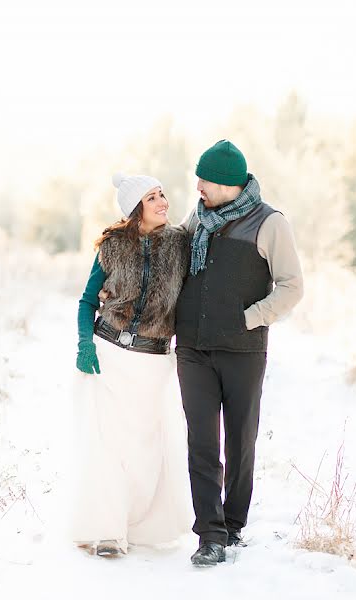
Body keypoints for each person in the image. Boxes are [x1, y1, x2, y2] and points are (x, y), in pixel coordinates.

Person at [176, 140, 304, 566]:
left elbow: (291, 287)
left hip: (243, 350)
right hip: (192, 346)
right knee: (202, 442)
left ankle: (233, 524)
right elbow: (169, 256)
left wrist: (250, 318)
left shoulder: (270, 223)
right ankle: (209, 534)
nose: (197, 186)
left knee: (241, 439)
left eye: (205, 180)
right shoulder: (197, 215)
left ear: (229, 184)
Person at [70, 173, 191, 557]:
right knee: (109, 443)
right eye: (153, 197)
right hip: (111, 354)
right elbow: (88, 300)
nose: (163, 202)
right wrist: (84, 343)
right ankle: (106, 530)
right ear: (136, 206)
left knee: (147, 448)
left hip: (154, 361)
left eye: (163, 194)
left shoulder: (179, 245)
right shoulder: (112, 246)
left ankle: (140, 525)